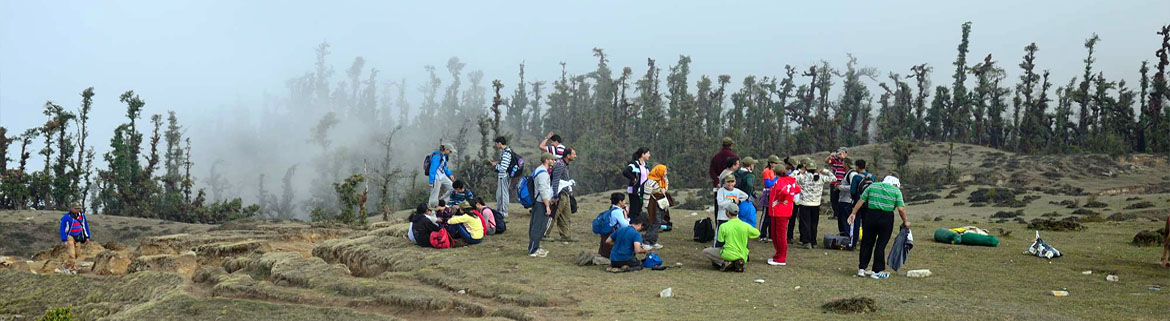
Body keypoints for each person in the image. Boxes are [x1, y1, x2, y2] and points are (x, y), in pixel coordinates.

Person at [847, 175, 910, 280]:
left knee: (867, 242)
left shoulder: (872, 186)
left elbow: (861, 200)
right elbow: (901, 209)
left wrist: (853, 213)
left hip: (870, 216)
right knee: (881, 244)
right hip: (886, 218)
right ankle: (876, 271)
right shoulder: (896, 191)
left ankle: (862, 269)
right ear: (894, 184)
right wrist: (905, 221)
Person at [700, 204, 760, 272]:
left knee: (705, 252)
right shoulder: (745, 225)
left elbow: (720, 241)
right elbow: (757, 233)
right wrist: (747, 235)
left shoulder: (723, 226)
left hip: (727, 254)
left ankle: (725, 263)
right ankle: (736, 262)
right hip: (742, 255)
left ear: (728, 212)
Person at [794, 158, 833, 249]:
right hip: (816, 203)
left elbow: (791, 178)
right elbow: (833, 178)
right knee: (814, 223)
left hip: (804, 203)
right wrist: (825, 171)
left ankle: (806, 241)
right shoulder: (821, 177)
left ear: (806, 168)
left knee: (805, 223)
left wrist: (799, 171)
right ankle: (813, 241)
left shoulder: (802, 177)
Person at [767, 166, 800, 266]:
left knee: (779, 236)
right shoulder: (790, 180)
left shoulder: (780, 181)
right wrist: (789, 198)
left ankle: (781, 258)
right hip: (784, 211)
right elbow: (797, 189)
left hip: (779, 211)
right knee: (778, 235)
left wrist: (780, 199)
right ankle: (778, 255)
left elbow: (784, 191)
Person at [527, 153, 556, 258]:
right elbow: (543, 190)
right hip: (541, 203)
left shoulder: (538, 170)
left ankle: (535, 247)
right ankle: (533, 250)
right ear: (547, 160)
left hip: (537, 201)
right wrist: (547, 206)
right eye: (552, 160)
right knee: (538, 227)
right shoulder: (543, 173)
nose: (554, 161)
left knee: (536, 225)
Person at [547, 147, 578, 242]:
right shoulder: (560, 165)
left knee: (566, 215)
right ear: (568, 156)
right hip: (560, 194)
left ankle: (566, 236)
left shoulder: (564, 164)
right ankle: (544, 234)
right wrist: (555, 195)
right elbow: (555, 181)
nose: (575, 156)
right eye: (574, 154)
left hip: (565, 193)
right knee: (553, 215)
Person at [846, 159, 876, 249]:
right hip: (869, 203)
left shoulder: (856, 177)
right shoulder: (872, 177)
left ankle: (854, 244)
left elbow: (853, 191)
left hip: (858, 203)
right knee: (866, 224)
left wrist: (853, 198)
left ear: (857, 167)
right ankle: (866, 243)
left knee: (856, 223)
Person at [715, 175, 749, 247]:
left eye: (732, 181)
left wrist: (739, 201)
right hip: (723, 218)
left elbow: (745, 196)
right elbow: (720, 203)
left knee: (732, 237)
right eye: (728, 182)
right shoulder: (721, 191)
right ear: (725, 182)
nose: (730, 184)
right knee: (720, 237)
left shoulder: (737, 191)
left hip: (733, 219)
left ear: (735, 182)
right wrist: (732, 200)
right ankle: (718, 249)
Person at [622, 148, 651, 230]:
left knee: (639, 208)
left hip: (642, 191)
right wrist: (633, 179)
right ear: (643, 154)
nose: (649, 155)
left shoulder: (645, 165)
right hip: (634, 191)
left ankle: (637, 225)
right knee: (634, 209)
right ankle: (632, 226)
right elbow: (625, 172)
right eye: (648, 153)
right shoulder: (634, 164)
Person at [642, 164, 670, 249]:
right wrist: (647, 206)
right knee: (654, 221)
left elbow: (665, 188)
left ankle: (653, 241)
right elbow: (646, 194)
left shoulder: (663, 179)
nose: (666, 172)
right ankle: (646, 241)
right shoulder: (650, 182)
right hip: (652, 203)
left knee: (659, 221)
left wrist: (663, 189)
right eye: (664, 171)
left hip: (661, 202)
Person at [59, 202, 91, 268]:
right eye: (76, 208)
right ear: (71, 208)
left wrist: (87, 236)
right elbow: (62, 228)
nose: (77, 210)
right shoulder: (67, 217)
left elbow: (85, 226)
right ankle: (69, 267)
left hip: (78, 236)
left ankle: (68, 265)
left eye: (78, 208)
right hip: (70, 236)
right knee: (72, 254)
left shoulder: (82, 216)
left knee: (77, 254)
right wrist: (64, 240)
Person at [599, 193, 631, 258]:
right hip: (612, 235)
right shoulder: (617, 212)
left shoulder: (611, 209)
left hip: (606, 234)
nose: (625, 202)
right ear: (620, 202)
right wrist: (626, 214)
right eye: (623, 200)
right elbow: (625, 225)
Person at [826, 148, 849, 236]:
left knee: (841, 200)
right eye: (839, 152)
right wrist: (831, 156)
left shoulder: (846, 162)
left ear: (846, 154)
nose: (839, 154)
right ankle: (835, 214)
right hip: (833, 182)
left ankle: (839, 214)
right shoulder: (835, 160)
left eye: (842, 152)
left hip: (841, 183)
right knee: (833, 199)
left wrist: (843, 158)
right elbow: (827, 161)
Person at [759, 155, 782, 243]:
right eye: (774, 163)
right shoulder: (766, 171)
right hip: (768, 193)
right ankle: (762, 234)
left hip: (775, 193)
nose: (775, 165)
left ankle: (771, 234)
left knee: (773, 215)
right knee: (766, 215)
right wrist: (777, 178)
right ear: (770, 163)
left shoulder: (775, 171)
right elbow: (768, 184)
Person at [489, 136, 514, 218]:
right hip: (502, 176)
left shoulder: (506, 153)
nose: (496, 145)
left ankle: (503, 212)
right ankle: (499, 210)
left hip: (504, 176)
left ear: (500, 143)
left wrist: (494, 166)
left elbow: (503, 168)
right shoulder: (504, 151)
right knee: (499, 194)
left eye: (496, 144)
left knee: (503, 194)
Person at [835, 159, 855, 238]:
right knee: (841, 221)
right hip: (842, 200)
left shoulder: (852, 174)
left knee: (845, 221)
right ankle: (843, 237)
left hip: (847, 201)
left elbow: (852, 187)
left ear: (846, 164)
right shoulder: (847, 173)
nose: (842, 165)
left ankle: (846, 238)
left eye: (843, 163)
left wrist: (840, 187)